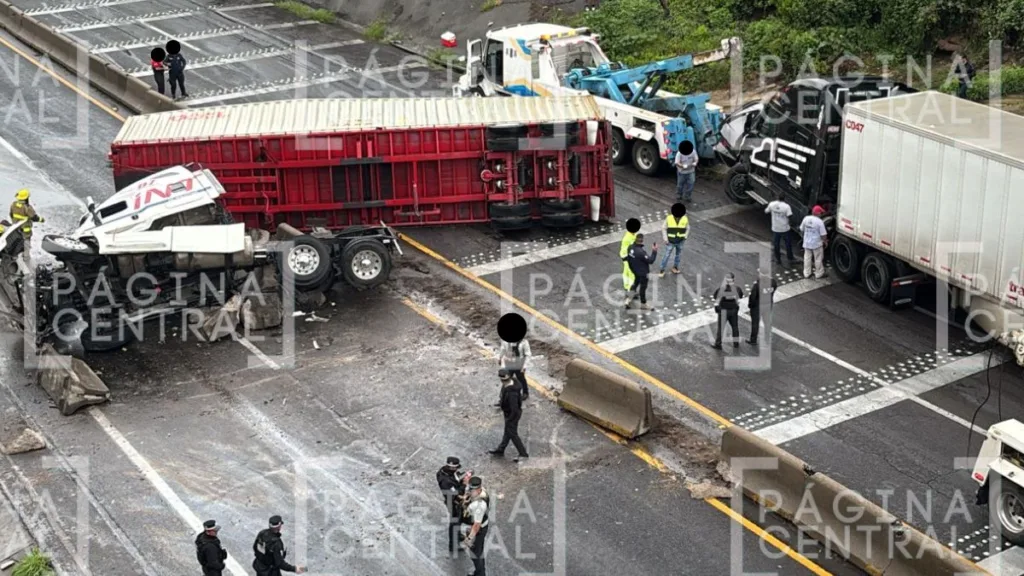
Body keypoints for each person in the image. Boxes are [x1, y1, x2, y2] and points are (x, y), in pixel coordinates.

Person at [489, 370, 528, 461]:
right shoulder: (511, 383)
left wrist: (510, 419)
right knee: (508, 432)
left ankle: (523, 454)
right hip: (510, 413)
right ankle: (501, 449)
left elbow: (514, 409)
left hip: (512, 415)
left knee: (513, 434)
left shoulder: (512, 392)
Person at [437, 456, 472, 558]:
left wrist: (462, 477)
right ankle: (453, 545)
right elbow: (457, 493)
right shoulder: (446, 482)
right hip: (453, 502)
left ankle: (457, 535)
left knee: (458, 520)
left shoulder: (444, 472)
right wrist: (464, 484)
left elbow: (455, 479)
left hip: (454, 501)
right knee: (455, 522)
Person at [461, 476, 491, 576]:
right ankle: (479, 572)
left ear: (478, 489)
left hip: (478, 530)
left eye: (472, 490)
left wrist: (469, 538)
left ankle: (480, 573)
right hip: (475, 525)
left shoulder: (480, 505)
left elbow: (477, 525)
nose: (470, 491)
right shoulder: (481, 491)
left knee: (476, 554)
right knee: (477, 552)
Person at [624, 233, 658, 311]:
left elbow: (628, 258)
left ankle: (628, 299)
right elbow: (651, 260)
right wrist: (654, 251)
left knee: (635, 283)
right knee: (643, 288)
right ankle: (643, 304)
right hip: (643, 273)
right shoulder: (641, 252)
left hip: (635, 271)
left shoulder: (630, 247)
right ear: (642, 241)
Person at [10, 188, 43, 262]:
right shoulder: (27, 207)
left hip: (15, 229)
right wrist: (41, 219)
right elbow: (34, 217)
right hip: (25, 231)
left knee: (16, 242)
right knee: (26, 244)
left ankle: (14, 257)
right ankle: (26, 258)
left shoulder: (13, 204)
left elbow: (11, 215)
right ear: (26, 198)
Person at [712, 273, 743, 350]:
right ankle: (736, 343)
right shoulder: (737, 289)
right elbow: (741, 296)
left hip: (723, 311)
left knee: (721, 328)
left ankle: (718, 344)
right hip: (733, 311)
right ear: (733, 280)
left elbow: (715, 296)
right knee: (735, 327)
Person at [748, 269, 778, 345]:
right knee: (767, 323)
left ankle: (753, 340)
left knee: (755, 323)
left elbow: (753, 297)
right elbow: (774, 289)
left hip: (758, 306)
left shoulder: (757, 285)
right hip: (768, 304)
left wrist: (751, 306)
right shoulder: (773, 282)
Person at [658, 202, 688, 277]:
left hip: (680, 241)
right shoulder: (669, 218)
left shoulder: (685, 219)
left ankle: (675, 267)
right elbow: (663, 228)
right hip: (670, 241)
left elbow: (688, 228)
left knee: (678, 255)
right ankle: (662, 269)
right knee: (666, 255)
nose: (678, 218)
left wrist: (685, 237)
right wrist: (665, 239)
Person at [766, 192, 795, 265]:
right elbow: (790, 216)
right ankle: (790, 258)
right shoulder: (786, 206)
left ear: (777, 197)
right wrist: (791, 223)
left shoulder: (772, 204)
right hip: (785, 228)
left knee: (776, 244)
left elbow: (767, 211)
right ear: (784, 198)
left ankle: (778, 259)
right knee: (788, 244)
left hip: (776, 228)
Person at [498, 335, 531, 401]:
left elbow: (528, 355)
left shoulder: (524, 342)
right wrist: (500, 357)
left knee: (521, 378)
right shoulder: (505, 341)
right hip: (509, 362)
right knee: (506, 379)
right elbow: (503, 349)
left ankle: (525, 392)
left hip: (519, 363)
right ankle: (503, 397)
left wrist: (524, 366)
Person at [800, 205, 828, 279]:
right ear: (818, 213)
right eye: (821, 213)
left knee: (807, 258)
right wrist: (825, 242)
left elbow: (801, 229)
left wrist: (804, 237)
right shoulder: (819, 222)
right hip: (816, 244)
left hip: (807, 243)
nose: (821, 214)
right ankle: (819, 274)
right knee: (818, 258)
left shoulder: (806, 218)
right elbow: (823, 235)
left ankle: (807, 273)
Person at [620, 218, 641, 293]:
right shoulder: (630, 238)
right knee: (632, 274)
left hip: (625, 257)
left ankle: (626, 286)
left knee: (626, 272)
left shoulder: (628, 236)